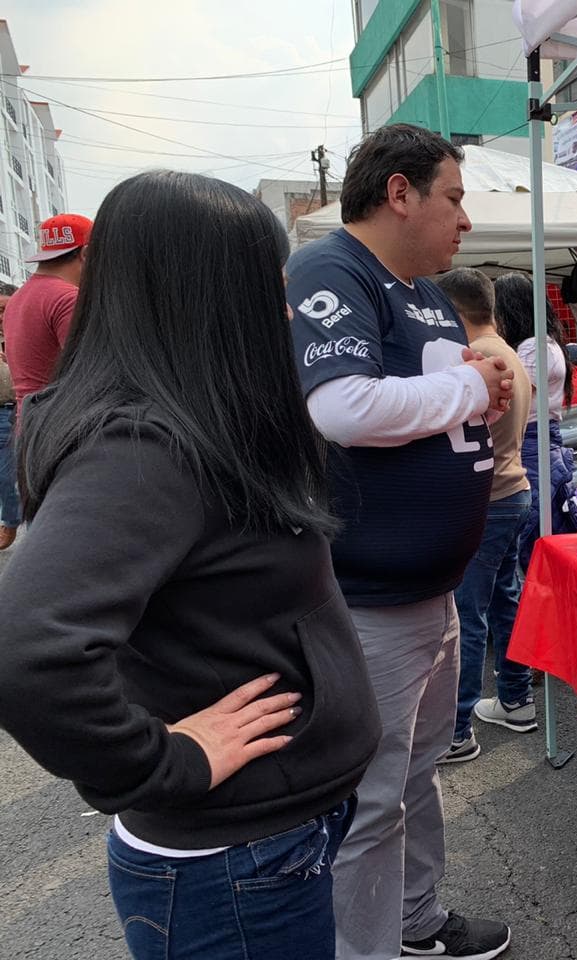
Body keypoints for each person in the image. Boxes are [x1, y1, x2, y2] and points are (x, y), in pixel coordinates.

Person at [0, 170, 380, 960]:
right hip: (233, 865)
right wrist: (166, 764)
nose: (283, 312)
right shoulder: (143, 447)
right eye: (265, 289)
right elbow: (26, 652)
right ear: (204, 301)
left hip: (265, 845)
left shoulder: (193, 425)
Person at [285, 123, 514, 960]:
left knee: (415, 778)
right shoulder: (332, 268)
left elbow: (435, 403)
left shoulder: (417, 289)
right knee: (373, 796)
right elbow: (340, 408)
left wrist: (473, 392)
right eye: (452, 198)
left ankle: (412, 920)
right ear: (399, 192)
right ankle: (364, 947)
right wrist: (464, 386)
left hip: (431, 591)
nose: (464, 221)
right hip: (370, 599)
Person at [436, 267, 537, 761]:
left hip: (490, 497)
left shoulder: (480, 359)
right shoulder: (510, 354)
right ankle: (516, 699)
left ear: (455, 313)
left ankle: (457, 729)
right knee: (502, 600)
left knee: (468, 615)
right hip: (512, 490)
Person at [494, 273, 577, 570]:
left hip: (533, 441)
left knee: (529, 544)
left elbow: (516, 395)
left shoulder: (533, 347)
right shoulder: (543, 343)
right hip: (537, 440)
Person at [2, 213, 91, 417]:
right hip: (62, 424)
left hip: (28, 424)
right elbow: (88, 372)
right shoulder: (68, 299)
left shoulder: (17, 299)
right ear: (86, 253)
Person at [0, 281, 19, 549]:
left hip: (9, 411)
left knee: (6, 475)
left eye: (3, 308)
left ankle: (11, 523)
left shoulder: (22, 332)